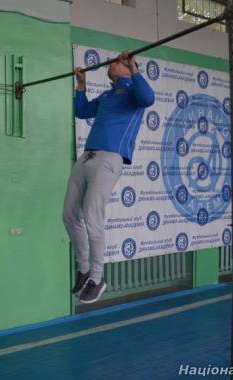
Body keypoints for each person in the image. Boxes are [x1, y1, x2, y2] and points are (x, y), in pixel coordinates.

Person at [63, 50, 155, 304]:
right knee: (69, 215)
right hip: (87, 157)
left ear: (129, 68)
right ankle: (83, 269)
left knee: (92, 217)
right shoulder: (107, 94)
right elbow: (81, 112)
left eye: (119, 62)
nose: (113, 63)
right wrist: (81, 86)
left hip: (109, 159)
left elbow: (149, 98)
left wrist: (133, 67)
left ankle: (97, 277)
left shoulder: (134, 91)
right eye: (114, 61)